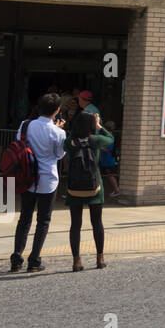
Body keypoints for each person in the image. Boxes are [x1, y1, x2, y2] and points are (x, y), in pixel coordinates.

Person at [12, 93, 68, 271]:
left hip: (26, 176)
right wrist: (58, 129)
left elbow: (18, 144)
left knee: (24, 218)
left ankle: (16, 258)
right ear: (57, 110)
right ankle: (34, 260)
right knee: (43, 221)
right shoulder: (59, 132)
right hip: (47, 178)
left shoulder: (25, 125)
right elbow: (59, 155)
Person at [65, 110, 115, 271]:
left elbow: (62, 146)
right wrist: (100, 125)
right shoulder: (96, 140)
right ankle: (100, 258)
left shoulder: (70, 142)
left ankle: (76, 261)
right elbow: (111, 139)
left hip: (74, 188)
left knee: (75, 225)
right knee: (97, 223)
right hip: (95, 187)